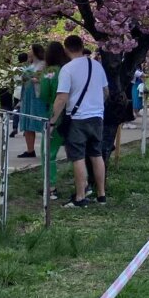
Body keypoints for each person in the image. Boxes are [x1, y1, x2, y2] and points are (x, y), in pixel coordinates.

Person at [47, 35, 109, 208]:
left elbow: (62, 97)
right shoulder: (97, 66)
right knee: (96, 155)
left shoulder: (68, 69)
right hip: (97, 117)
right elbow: (106, 92)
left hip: (77, 118)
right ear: (82, 46)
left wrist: (51, 121)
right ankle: (101, 195)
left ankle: (80, 197)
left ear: (66, 49)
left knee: (78, 157)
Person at [39, 41, 69, 200]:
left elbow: (44, 93)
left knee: (48, 152)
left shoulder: (49, 72)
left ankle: (50, 187)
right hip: (72, 113)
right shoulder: (68, 69)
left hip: (53, 112)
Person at [18, 44, 46, 158]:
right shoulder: (30, 64)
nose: (28, 51)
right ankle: (30, 150)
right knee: (27, 123)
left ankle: (47, 150)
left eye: (30, 49)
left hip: (37, 96)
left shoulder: (43, 64)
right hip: (27, 95)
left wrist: (34, 79)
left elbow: (46, 78)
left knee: (41, 121)